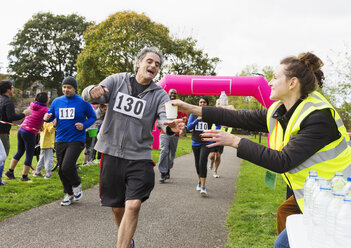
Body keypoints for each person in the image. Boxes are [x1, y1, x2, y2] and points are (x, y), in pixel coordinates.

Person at [172, 52, 351, 248]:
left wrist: (234, 141)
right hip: (316, 194)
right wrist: (190, 108)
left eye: (274, 77)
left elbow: (282, 161)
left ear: (292, 83)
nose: (269, 82)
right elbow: (240, 117)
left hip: (339, 199)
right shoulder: (281, 110)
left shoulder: (318, 117)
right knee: (285, 220)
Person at [82, 47, 184, 248]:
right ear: (138, 63)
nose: (153, 66)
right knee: (118, 208)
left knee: (134, 204)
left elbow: (165, 121)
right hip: (111, 154)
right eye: (149, 61)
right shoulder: (117, 80)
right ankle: (127, 241)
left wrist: (170, 128)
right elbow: (95, 94)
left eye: (157, 64)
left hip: (139, 156)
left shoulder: (159, 95)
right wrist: (92, 90)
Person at [43, 76, 96, 206]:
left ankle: (76, 184)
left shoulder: (83, 102)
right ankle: (69, 194)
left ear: (75, 89)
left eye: (69, 88)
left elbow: (93, 116)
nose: (66, 90)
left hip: (76, 139)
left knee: (67, 166)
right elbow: (50, 116)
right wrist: (46, 117)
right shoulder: (57, 101)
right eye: (64, 87)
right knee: (62, 170)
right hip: (60, 138)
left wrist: (84, 125)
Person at [5, 92, 49, 181]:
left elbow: (34, 117)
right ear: (46, 101)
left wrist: (39, 125)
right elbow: (46, 117)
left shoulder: (32, 105)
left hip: (21, 129)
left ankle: (10, 171)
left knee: (20, 151)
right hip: (30, 132)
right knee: (29, 154)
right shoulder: (45, 109)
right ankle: (24, 176)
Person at [187, 96, 216, 197]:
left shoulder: (210, 115)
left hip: (206, 143)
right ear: (198, 104)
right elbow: (188, 127)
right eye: (200, 102)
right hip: (195, 142)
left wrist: (216, 129)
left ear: (207, 104)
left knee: (202, 162)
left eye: (204, 102)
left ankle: (203, 187)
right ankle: (199, 181)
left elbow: (218, 125)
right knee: (197, 164)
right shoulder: (194, 114)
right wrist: (197, 120)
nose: (202, 104)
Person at [0, 80, 31, 174]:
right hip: (3, 132)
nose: (13, 90)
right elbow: (11, 117)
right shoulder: (8, 101)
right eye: (12, 88)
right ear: (8, 90)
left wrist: (21, 117)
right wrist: (24, 113)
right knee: (3, 155)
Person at [158, 88, 187, 183]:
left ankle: (168, 169)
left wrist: (185, 119)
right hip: (164, 132)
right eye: (171, 93)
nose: (173, 94)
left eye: (175, 93)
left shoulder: (178, 105)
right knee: (164, 150)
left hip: (175, 134)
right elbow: (158, 117)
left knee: (171, 154)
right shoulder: (164, 105)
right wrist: (158, 124)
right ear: (168, 94)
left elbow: (184, 116)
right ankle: (163, 172)